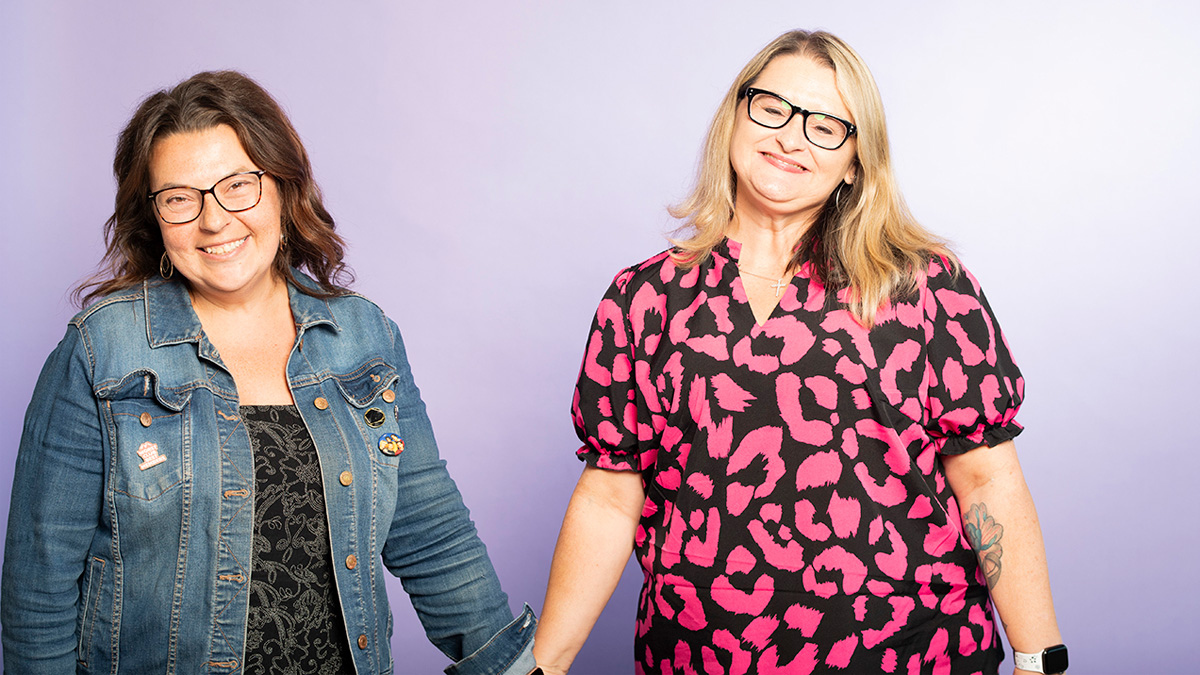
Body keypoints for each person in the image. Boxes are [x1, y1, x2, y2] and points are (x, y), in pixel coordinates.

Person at [534, 30, 1065, 674]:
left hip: (911, 652)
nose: (791, 137)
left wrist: (1040, 656)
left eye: (826, 126)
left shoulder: (925, 288)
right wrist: (545, 665)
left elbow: (986, 479)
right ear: (736, 114)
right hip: (697, 656)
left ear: (857, 158)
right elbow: (611, 496)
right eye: (773, 108)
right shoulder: (645, 298)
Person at [1, 70, 537, 674]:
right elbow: (38, 589)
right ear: (152, 217)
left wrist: (514, 668)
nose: (214, 220)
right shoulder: (103, 351)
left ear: (282, 187)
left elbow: (433, 538)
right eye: (180, 198)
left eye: (238, 186)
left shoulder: (363, 337)